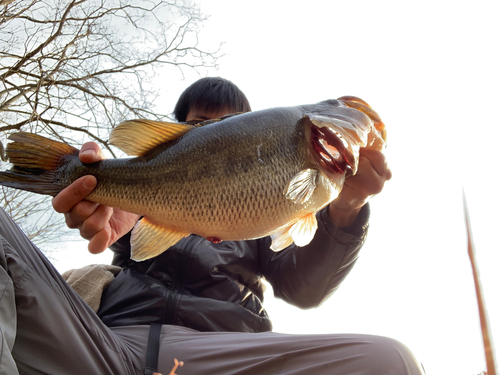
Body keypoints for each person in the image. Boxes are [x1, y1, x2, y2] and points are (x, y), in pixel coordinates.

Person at [0, 77, 423, 374]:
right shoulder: (132, 216)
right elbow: (128, 232)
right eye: (200, 124)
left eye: (229, 122)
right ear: (173, 132)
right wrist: (112, 200)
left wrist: (349, 204)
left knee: (391, 361)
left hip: (230, 357)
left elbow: (305, 290)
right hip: (104, 344)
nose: (215, 129)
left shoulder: (269, 221)